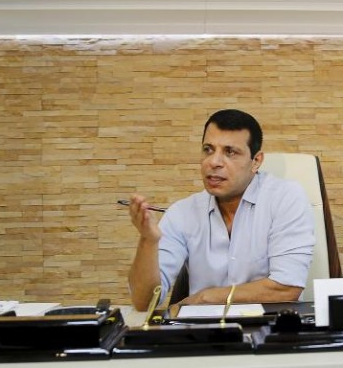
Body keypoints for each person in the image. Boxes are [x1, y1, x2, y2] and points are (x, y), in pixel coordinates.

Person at [127, 109, 315, 311]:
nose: (214, 162)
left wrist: (205, 298)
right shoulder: (182, 213)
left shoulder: (285, 198)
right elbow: (144, 302)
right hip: (203, 334)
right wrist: (149, 241)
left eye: (230, 152)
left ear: (256, 161)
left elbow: (286, 288)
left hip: (270, 332)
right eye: (208, 149)